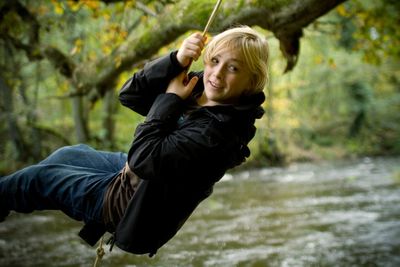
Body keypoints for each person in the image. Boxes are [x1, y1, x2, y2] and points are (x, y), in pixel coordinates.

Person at [0, 25, 269, 256]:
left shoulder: (218, 135)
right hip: (136, 176)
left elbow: (144, 158)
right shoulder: (197, 86)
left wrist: (171, 99)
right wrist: (175, 60)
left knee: (37, 180)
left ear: (252, 82)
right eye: (214, 60)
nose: (217, 73)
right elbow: (130, 95)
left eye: (232, 68)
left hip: (135, 209)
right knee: (67, 154)